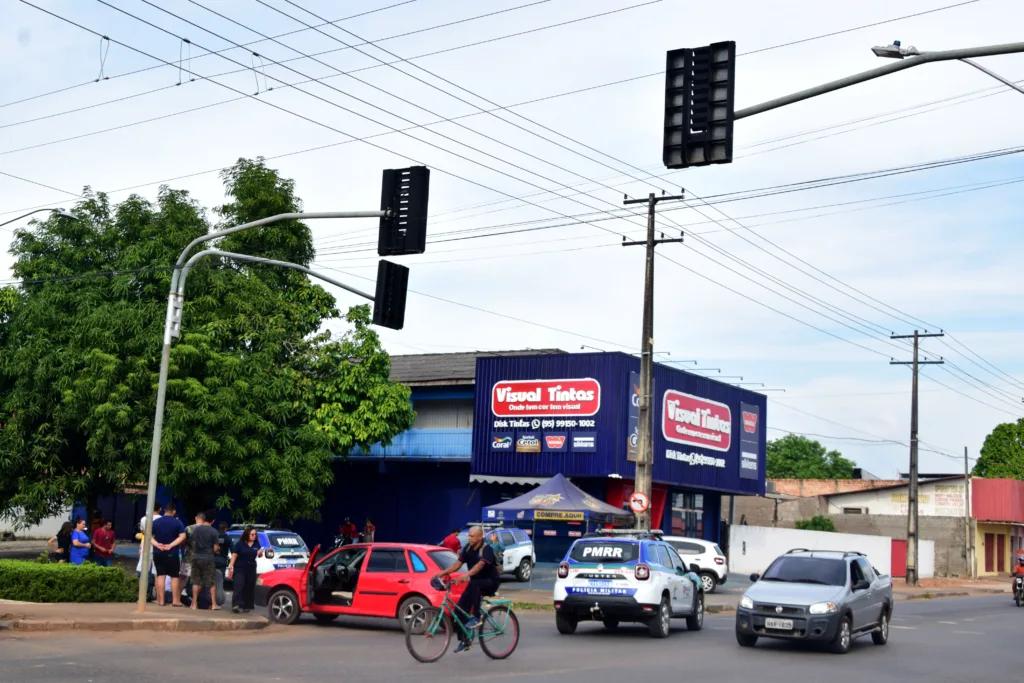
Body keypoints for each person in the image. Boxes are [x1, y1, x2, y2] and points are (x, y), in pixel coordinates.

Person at [435, 525, 499, 653]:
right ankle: (465, 641)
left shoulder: (487, 549)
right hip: (476, 582)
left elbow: (480, 566)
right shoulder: (468, 548)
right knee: (458, 610)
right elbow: (457, 565)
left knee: (475, 584)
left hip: (490, 582)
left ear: (480, 537)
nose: (469, 538)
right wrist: (442, 573)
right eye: (469, 535)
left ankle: (477, 617)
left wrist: (466, 575)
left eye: (472, 536)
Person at [151, 503, 186, 607]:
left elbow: (148, 536)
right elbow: (182, 536)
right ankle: (175, 601)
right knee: (174, 576)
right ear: (174, 511)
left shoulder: (156, 522)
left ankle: (160, 601)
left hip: (158, 552)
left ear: (164, 511)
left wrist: (157, 544)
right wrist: (171, 545)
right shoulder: (178, 522)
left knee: (160, 576)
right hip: (172, 553)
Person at [188, 512, 220, 610]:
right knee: (211, 582)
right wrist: (217, 550)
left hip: (196, 557)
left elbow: (192, 543)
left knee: (196, 581)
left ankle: (193, 604)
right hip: (208, 558)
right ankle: (214, 604)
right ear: (213, 521)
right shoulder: (214, 531)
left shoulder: (196, 530)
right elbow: (215, 548)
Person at [227, 526, 261, 613]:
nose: (254, 536)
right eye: (252, 534)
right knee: (239, 585)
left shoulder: (257, 544)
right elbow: (234, 555)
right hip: (240, 568)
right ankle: (236, 605)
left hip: (251, 568)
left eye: (255, 534)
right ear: (247, 535)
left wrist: (260, 553)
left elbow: (259, 555)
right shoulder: (240, 544)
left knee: (249, 587)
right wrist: (231, 566)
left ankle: (247, 605)